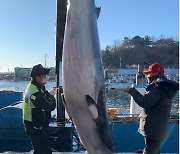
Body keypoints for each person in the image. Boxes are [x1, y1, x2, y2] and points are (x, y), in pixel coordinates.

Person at [122, 63, 178, 154]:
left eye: (149, 73)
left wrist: (132, 91)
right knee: (152, 150)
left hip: (153, 128)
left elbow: (145, 102)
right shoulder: (165, 88)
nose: (147, 76)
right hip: (159, 128)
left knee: (150, 151)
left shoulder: (158, 88)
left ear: (155, 74)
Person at [22, 64, 57, 154]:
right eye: (44, 76)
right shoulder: (35, 93)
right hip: (35, 127)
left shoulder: (35, 87)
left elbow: (44, 95)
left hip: (36, 126)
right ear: (37, 77)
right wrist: (52, 97)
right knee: (44, 151)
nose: (46, 77)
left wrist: (50, 93)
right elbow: (50, 106)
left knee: (39, 149)